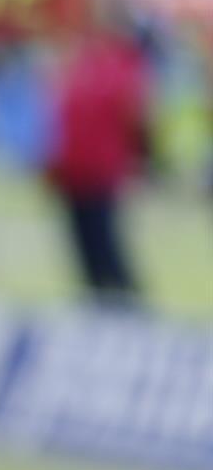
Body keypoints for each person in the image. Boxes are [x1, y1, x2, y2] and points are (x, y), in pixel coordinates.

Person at [46, 18, 149, 307]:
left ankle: (129, 308)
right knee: (83, 248)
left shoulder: (121, 67)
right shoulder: (77, 66)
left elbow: (133, 119)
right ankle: (97, 305)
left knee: (106, 246)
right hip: (73, 173)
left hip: (102, 172)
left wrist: (137, 162)